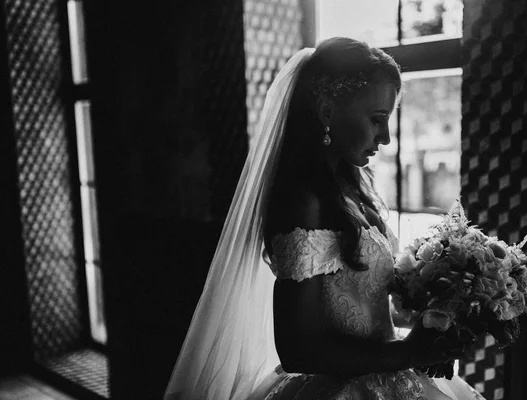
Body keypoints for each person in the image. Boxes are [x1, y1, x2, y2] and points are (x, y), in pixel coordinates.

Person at [165, 38, 486, 400]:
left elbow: (364, 314)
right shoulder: (302, 202)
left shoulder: (354, 187)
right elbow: (297, 350)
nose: (387, 137)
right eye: (377, 119)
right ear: (326, 111)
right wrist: (406, 353)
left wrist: (433, 325)